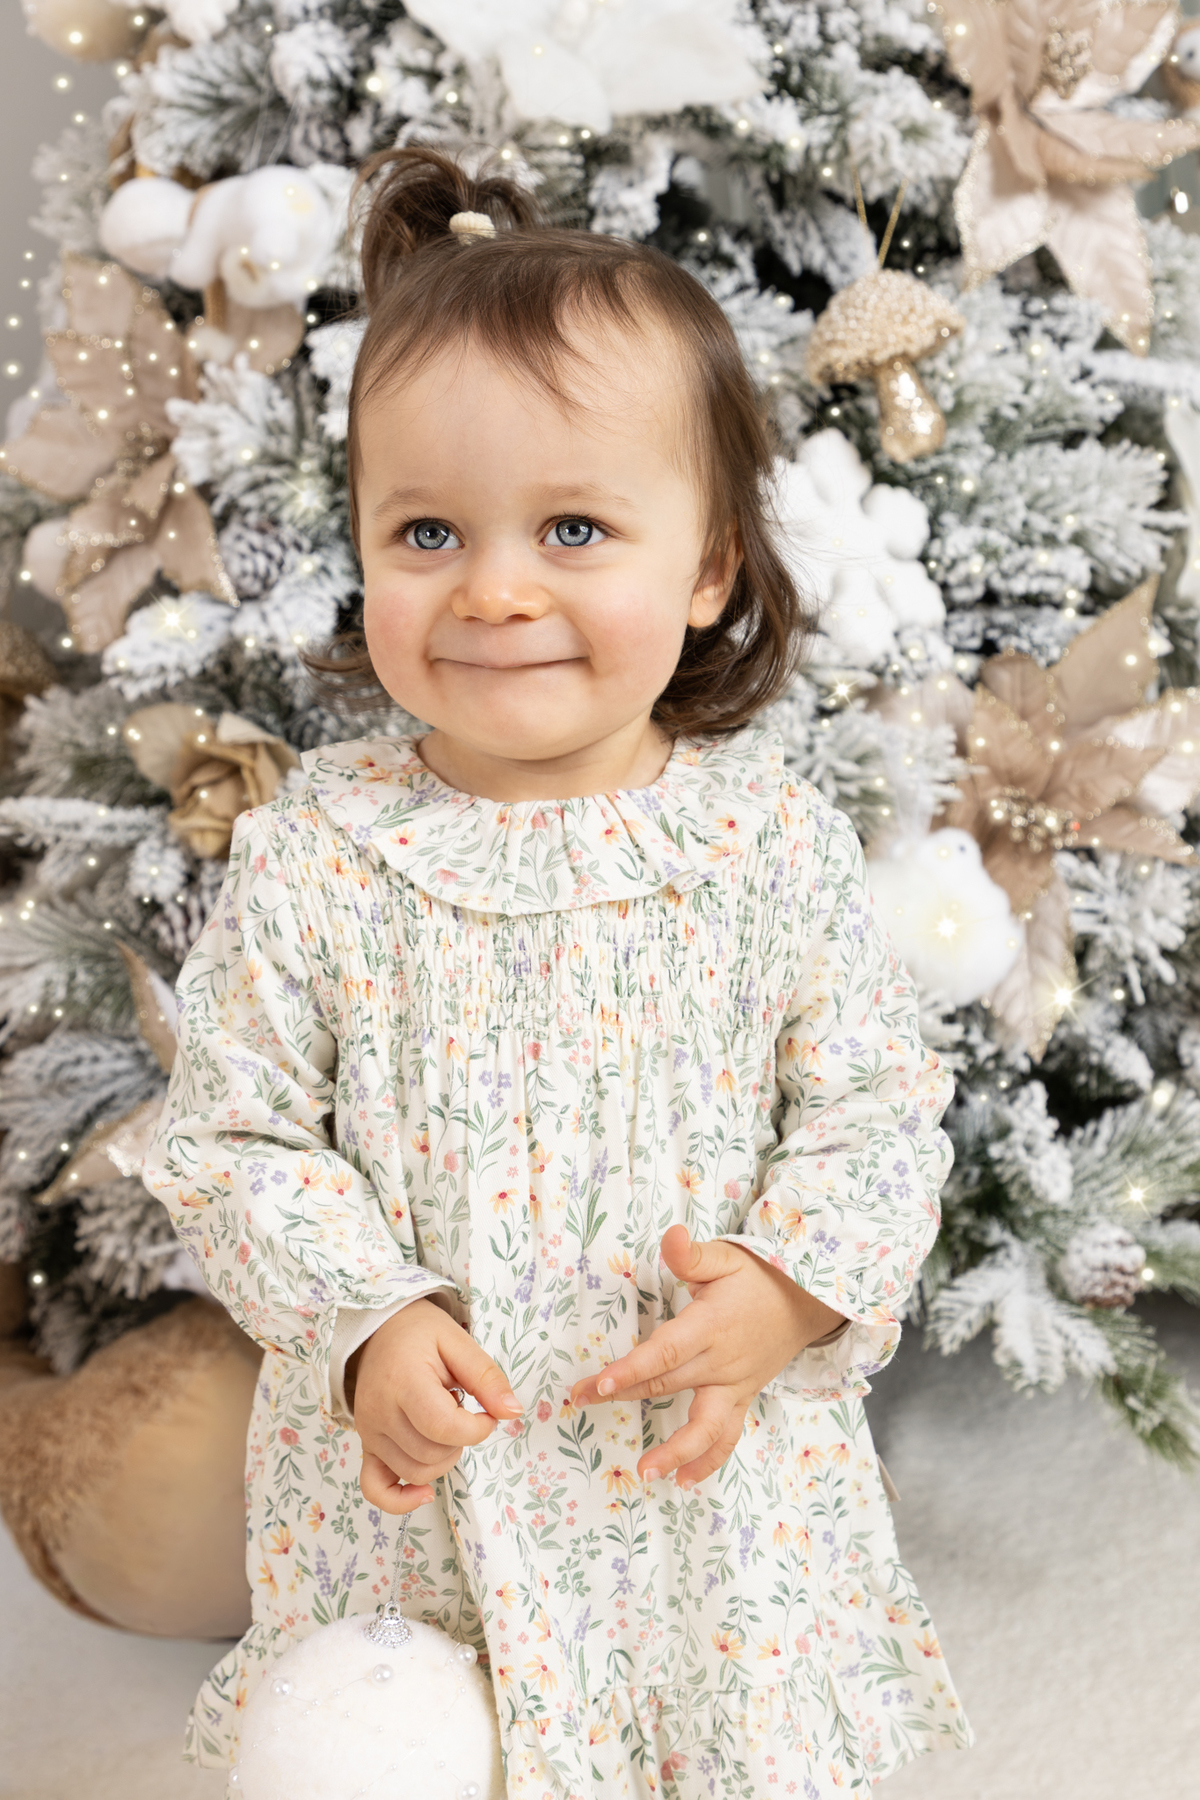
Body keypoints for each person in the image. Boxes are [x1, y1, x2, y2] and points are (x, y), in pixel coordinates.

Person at [141, 145, 973, 1800]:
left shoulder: (765, 844)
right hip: (422, 1479)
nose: (496, 588)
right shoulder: (323, 852)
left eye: (575, 527)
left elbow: (881, 1110)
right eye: (427, 530)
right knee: (417, 1746)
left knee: (710, 1742)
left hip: (699, 1475)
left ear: (709, 567)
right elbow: (231, 1135)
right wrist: (367, 1317)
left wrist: (789, 1288)